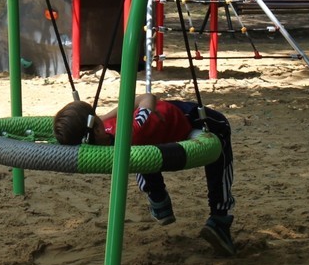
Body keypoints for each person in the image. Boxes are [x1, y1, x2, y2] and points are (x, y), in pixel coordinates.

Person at [53, 94, 236, 256]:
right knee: (221, 128)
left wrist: (105, 117)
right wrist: (104, 119)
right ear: (98, 129)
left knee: (137, 152)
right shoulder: (130, 129)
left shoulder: (104, 140)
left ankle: (158, 199)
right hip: (178, 120)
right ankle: (219, 217)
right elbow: (147, 98)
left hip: (167, 123)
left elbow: (143, 106)